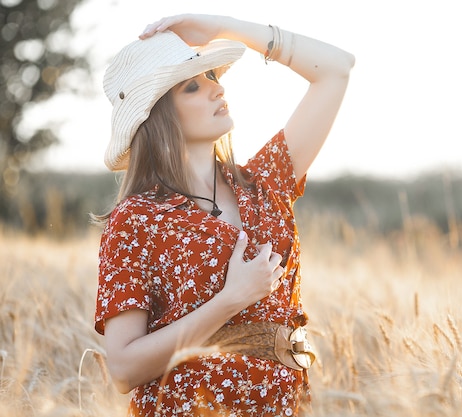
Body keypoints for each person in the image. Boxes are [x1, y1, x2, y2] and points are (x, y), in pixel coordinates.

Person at [92, 13, 354, 417]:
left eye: (213, 75)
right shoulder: (136, 219)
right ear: (159, 114)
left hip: (285, 404)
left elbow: (336, 69)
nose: (217, 88)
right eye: (193, 86)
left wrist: (223, 28)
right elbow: (124, 367)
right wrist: (230, 300)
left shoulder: (265, 184)